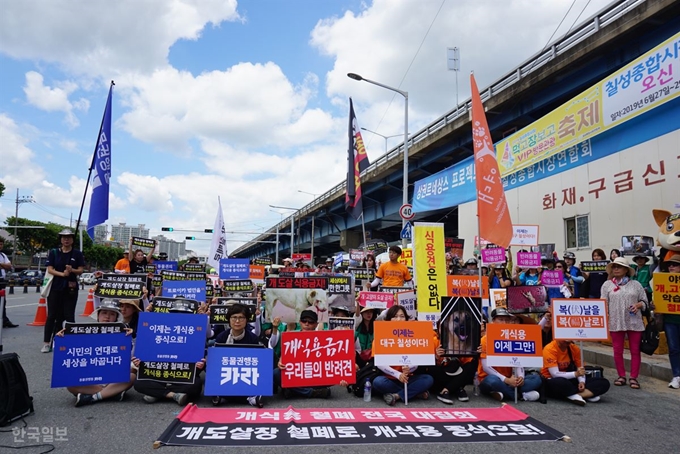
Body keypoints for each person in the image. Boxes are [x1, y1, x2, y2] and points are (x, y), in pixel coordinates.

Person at [61, 300, 136, 407]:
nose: (107, 317)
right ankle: (111, 393)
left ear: (116, 318)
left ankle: (93, 397)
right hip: (90, 378)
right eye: (104, 313)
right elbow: (67, 353)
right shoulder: (84, 332)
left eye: (112, 314)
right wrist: (61, 338)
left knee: (132, 376)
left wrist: (128, 339)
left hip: (114, 377)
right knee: (70, 383)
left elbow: (130, 358)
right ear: (98, 315)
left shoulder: (124, 333)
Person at [601, 257, 648, 390]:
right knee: (617, 350)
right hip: (615, 321)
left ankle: (634, 377)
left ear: (626, 270)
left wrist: (639, 305)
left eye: (619, 266)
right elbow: (602, 304)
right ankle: (621, 375)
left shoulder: (636, 284)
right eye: (614, 266)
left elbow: (645, 302)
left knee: (635, 350)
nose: (616, 269)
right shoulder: (607, 285)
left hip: (634, 321)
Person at [372, 305, 434, 406]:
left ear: (406, 319)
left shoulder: (413, 335)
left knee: (428, 379)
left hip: (408, 378)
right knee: (378, 382)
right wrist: (397, 374)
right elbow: (380, 363)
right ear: (389, 319)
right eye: (395, 316)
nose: (399, 319)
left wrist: (409, 368)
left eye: (402, 316)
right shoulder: (380, 336)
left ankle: (397, 395)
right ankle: (414, 393)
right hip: (390, 378)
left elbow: (417, 359)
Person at [477, 308, 542, 402]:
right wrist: (506, 380)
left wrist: (520, 378)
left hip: (511, 378)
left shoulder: (514, 336)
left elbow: (519, 361)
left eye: (506, 320)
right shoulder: (485, 340)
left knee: (536, 379)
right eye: (501, 320)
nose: (504, 323)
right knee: (492, 381)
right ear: (493, 321)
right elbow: (486, 367)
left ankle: (504, 393)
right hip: (491, 377)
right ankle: (520, 395)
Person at [212, 303, 264, 408]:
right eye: (234, 317)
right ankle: (243, 397)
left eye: (241, 318)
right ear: (229, 319)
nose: (237, 321)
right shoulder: (221, 337)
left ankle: (228, 396)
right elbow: (216, 362)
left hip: (246, 374)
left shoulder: (252, 338)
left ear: (247, 320)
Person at [271, 310, 332, 399]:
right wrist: (280, 362)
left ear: (316, 324)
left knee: (330, 377)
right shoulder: (291, 335)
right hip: (295, 374)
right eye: (304, 321)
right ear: (300, 322)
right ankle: (311, 392)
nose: (307, 324)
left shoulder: (323, 337)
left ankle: (293, 390)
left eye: (310, 322)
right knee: (276, 373)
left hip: (314, 375)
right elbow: (283, 356)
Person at [42, 229, 85, 353]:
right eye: (64, 237)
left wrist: (72, 270)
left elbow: (81, 270)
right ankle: (46, 342)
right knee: (52, 315)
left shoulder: (77, 254)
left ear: (72, 239)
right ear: (60, 239)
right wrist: (62, 274)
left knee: (68, 315)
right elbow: (50, 269)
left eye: (69, 237)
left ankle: (70, 341)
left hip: (70, 288)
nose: (66, 239)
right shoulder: (54, 252)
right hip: (55, 287)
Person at [541, 339, 610, 405]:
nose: (567, 341)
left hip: (571, 378)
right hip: (552, 379)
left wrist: (581, 382)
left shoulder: (574, 348)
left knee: (604, 382)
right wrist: (576, 374)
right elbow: (555, 374)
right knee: (559, 383)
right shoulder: (549, 349)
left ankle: (576, 395)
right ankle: (587, 394)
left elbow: (580, 368)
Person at [658, 254, 680, 389]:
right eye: (669, 265)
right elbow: (658, 298)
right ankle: (677, 375)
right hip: (670, 320)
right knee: (673, 348)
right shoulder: (662, 280)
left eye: (675, 264)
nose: (671, 267)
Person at [0, 237, 18, 328]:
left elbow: (9, 266)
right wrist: (3, 265)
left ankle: (4, 320)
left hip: (1, 281)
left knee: (2, 302)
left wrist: (1, 265)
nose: (0, 246)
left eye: (1, 244)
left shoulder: (3, 255)